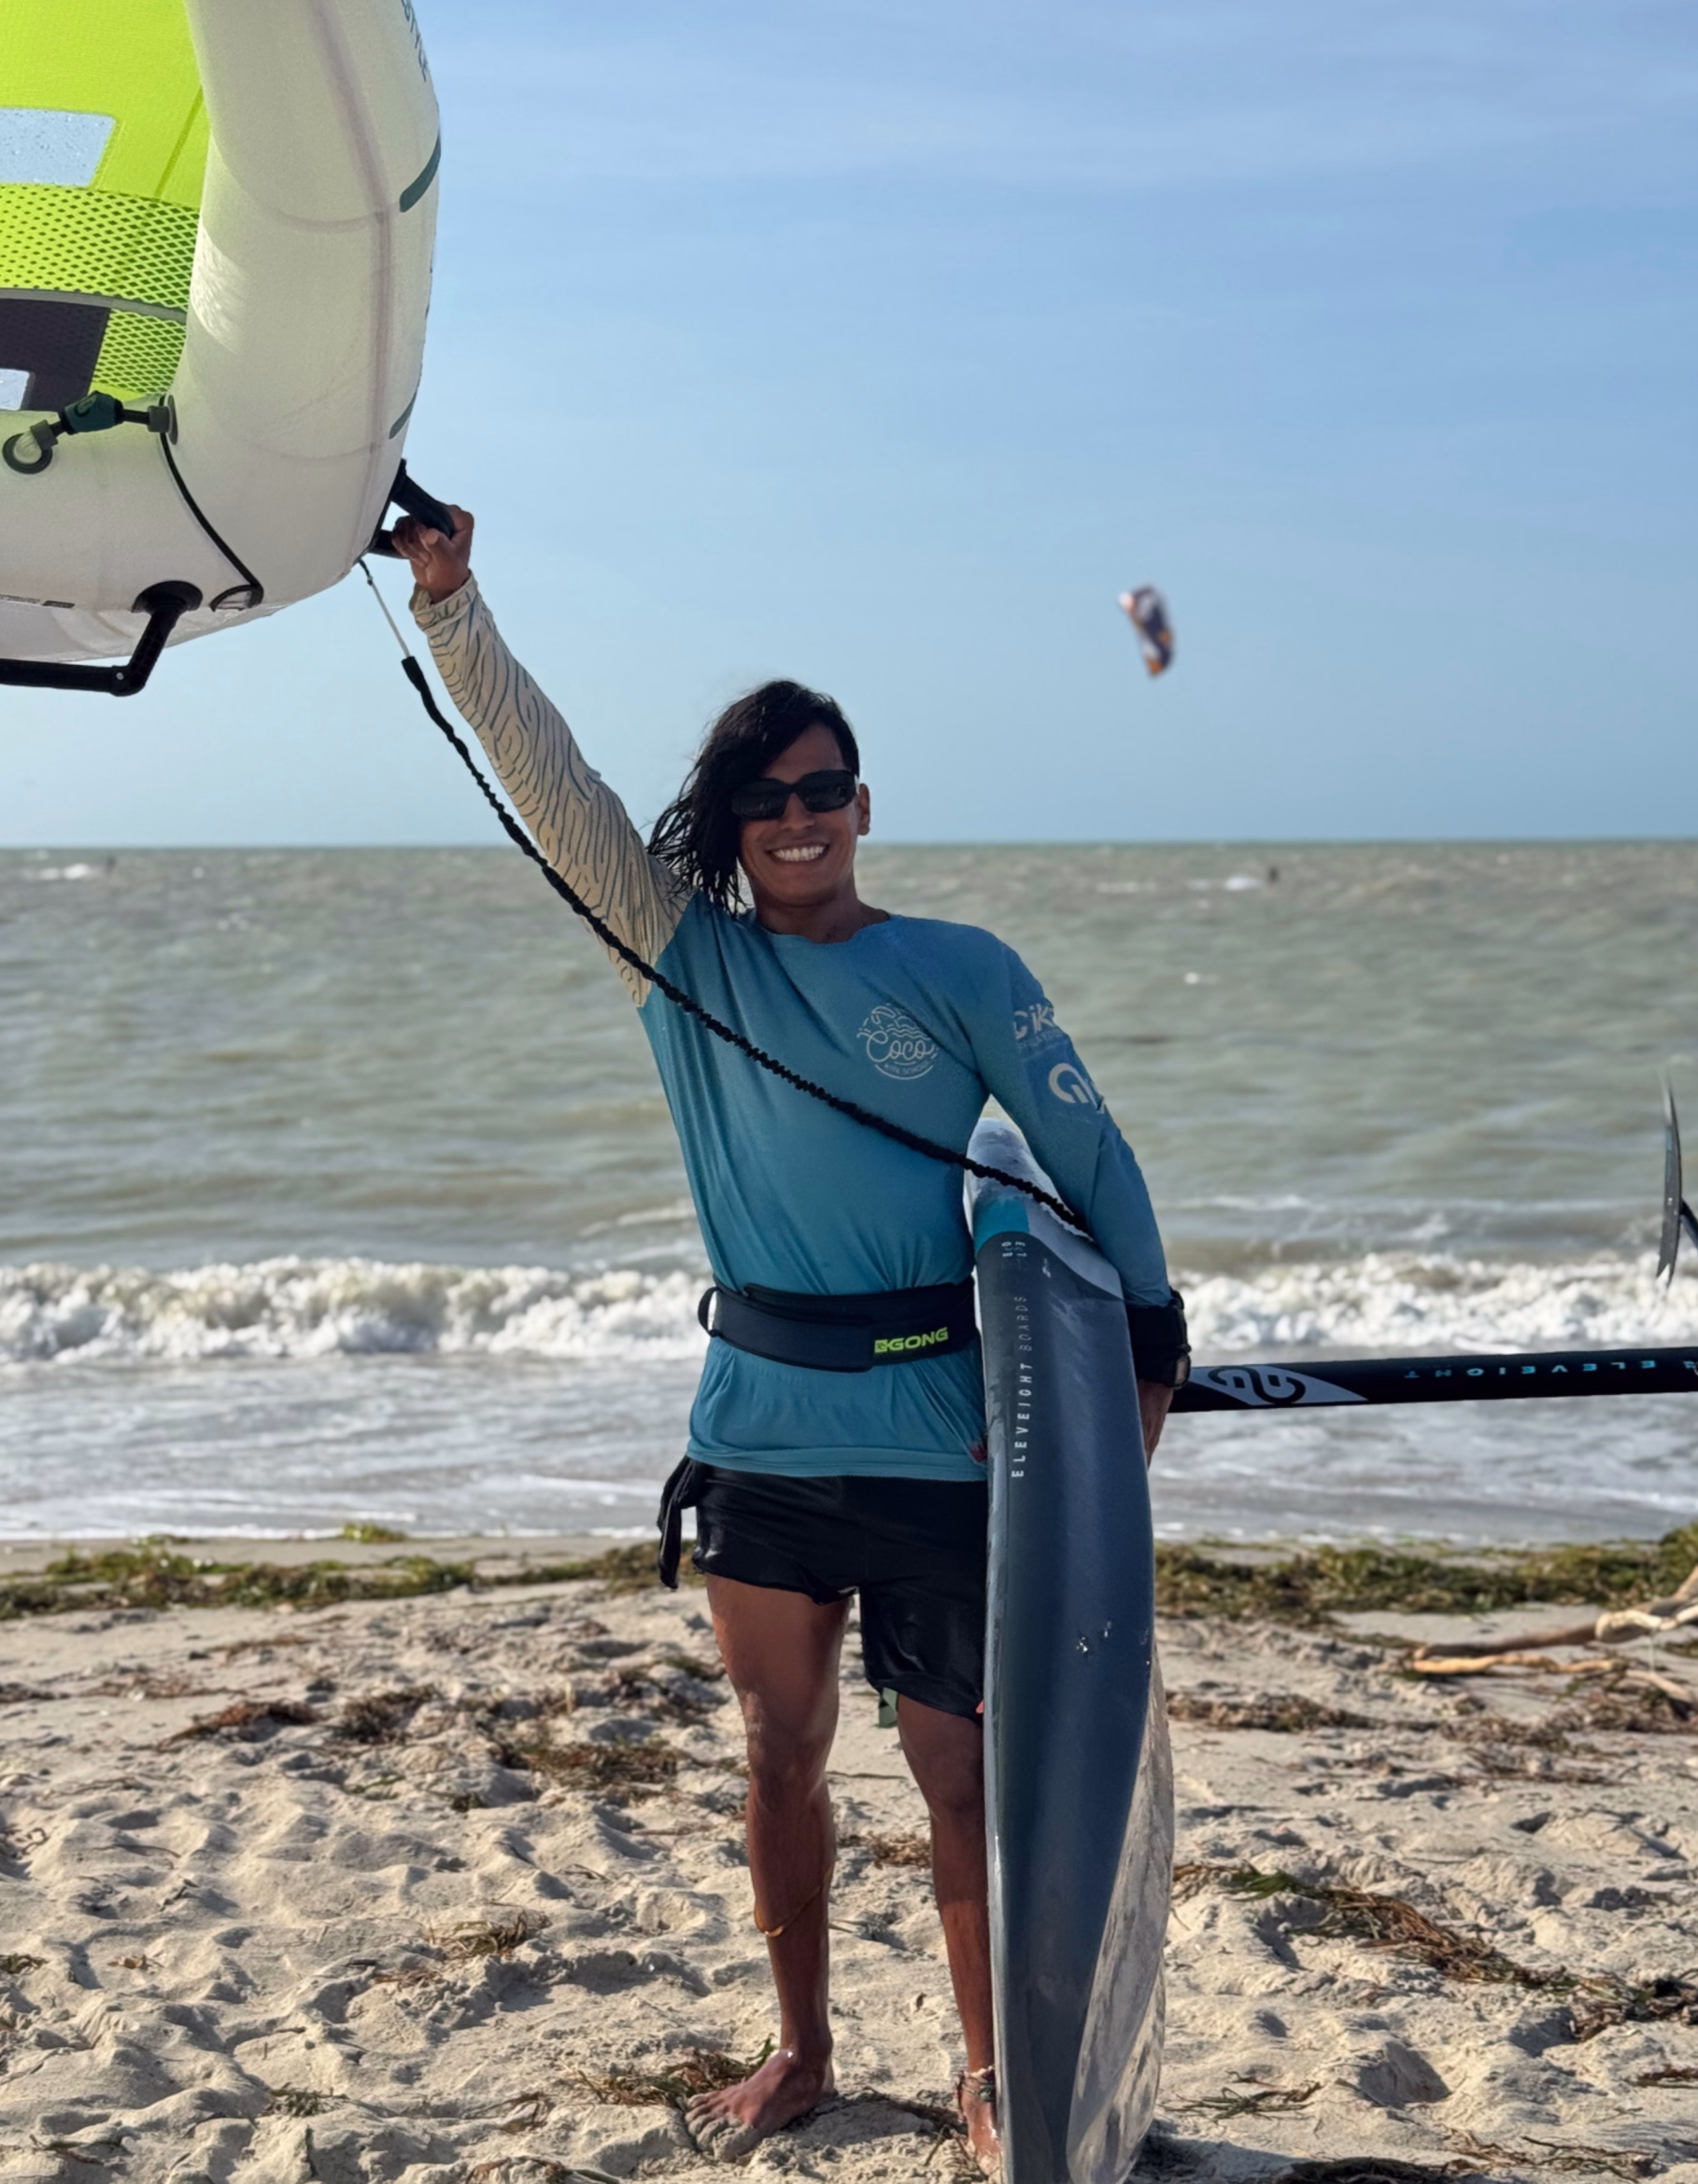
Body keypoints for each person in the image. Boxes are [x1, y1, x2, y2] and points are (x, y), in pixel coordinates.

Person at [394, 506, 1185, 2170]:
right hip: (760, 1431)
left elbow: (1089, 1152)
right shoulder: (683, 965)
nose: (800, 818)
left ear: (864, 806)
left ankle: (989, 2072)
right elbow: (558, 788)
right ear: (734, 826)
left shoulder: (960, 967)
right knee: (779, 1759)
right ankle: (806, 2049)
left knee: (960, 1772)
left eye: (826, 789)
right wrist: (456, 612)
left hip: (941, 1439)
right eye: (768, 797)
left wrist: (1149, 1342)